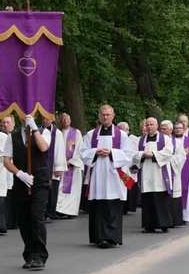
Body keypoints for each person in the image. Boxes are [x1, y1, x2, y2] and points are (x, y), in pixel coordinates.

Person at [80, 104, 135, 248]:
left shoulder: (121, 135)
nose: (105, 117)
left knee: (112, 205)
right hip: (98, 174)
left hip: (114, 175)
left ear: (113, 116)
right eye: (103, 114)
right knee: (99, 206)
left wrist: (111, 153)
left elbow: (128, 154)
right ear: (100, 116)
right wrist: (95, 151)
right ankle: (99, 237)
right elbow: (83, 153)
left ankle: (112, 238)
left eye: (108, 115)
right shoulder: (91, 134)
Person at [3, 114, 51, 270]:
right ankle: (29, 255)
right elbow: (6, 160)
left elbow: (43, 147)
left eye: (28, 116)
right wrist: (19, 174)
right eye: (23, 117)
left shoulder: (44, 132)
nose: (26, 119)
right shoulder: (13, 137)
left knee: (37, 216)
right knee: (24, 220)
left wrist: (35, 129)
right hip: (21, 182)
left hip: (40, 182)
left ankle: (40, 256)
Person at [134, 118, 175, 233]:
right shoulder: (139, 140)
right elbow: (132, 153)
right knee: (148, 199)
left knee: (161, 197)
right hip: (146, 172)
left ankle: (164, 224)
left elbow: (169, 152)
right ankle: (149, 225)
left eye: (151, 124)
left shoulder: (165, 139)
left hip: (159, 172)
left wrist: (153, 155)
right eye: (147, 125)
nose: (149, 127)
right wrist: (142, 154)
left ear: (156, 126)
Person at [55, 113, 84, 218]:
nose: (65, 121)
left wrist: (71, 161)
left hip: (72, 166)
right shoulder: (57, 133)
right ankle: (60, 210)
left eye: (67, 119)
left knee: (73, 190)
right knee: (60, 189)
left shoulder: (76, 133)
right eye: (62, 119)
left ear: (70, 121)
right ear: (60, 121)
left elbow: (80, 149)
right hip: (60, 166)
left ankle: (71, 211)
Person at [161, 120, 186, 227]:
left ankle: (175, 220)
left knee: (174, 195)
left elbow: (182, 157)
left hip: (172, 172)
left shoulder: (178, 142)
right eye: (160, 129)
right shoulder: (158, 142)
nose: (162, 131)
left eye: (164, 129)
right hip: (161, 173)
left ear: (170, 130)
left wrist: (167, 159)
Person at [41, 116, 66, 223]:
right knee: (42, 191)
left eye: (47, 119)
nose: (45, 121)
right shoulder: (38, 131)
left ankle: (50, 213)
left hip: (53, 167)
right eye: (43, 119)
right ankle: (41, 213)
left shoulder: (57, 133)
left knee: (52, 192)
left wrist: (59, 167)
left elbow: (60, 150)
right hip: (41, 166)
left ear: (52, 120)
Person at [0, 115, 18, 229]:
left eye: (8, 122)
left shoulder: (17, 136)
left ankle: (15, 221)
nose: (5, 125)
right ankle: (5, 221)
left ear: (13, 123)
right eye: (3, 123)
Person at [117, 121, 140, 214]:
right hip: (121, 165)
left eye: (121, 129)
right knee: (122, 185)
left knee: (130, 184)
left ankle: (129, 206)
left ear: (127, 129)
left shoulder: (134, 139)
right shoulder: (117, 138)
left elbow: (138, 152)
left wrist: (137, 165)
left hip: (131, 166)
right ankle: (121, 206)